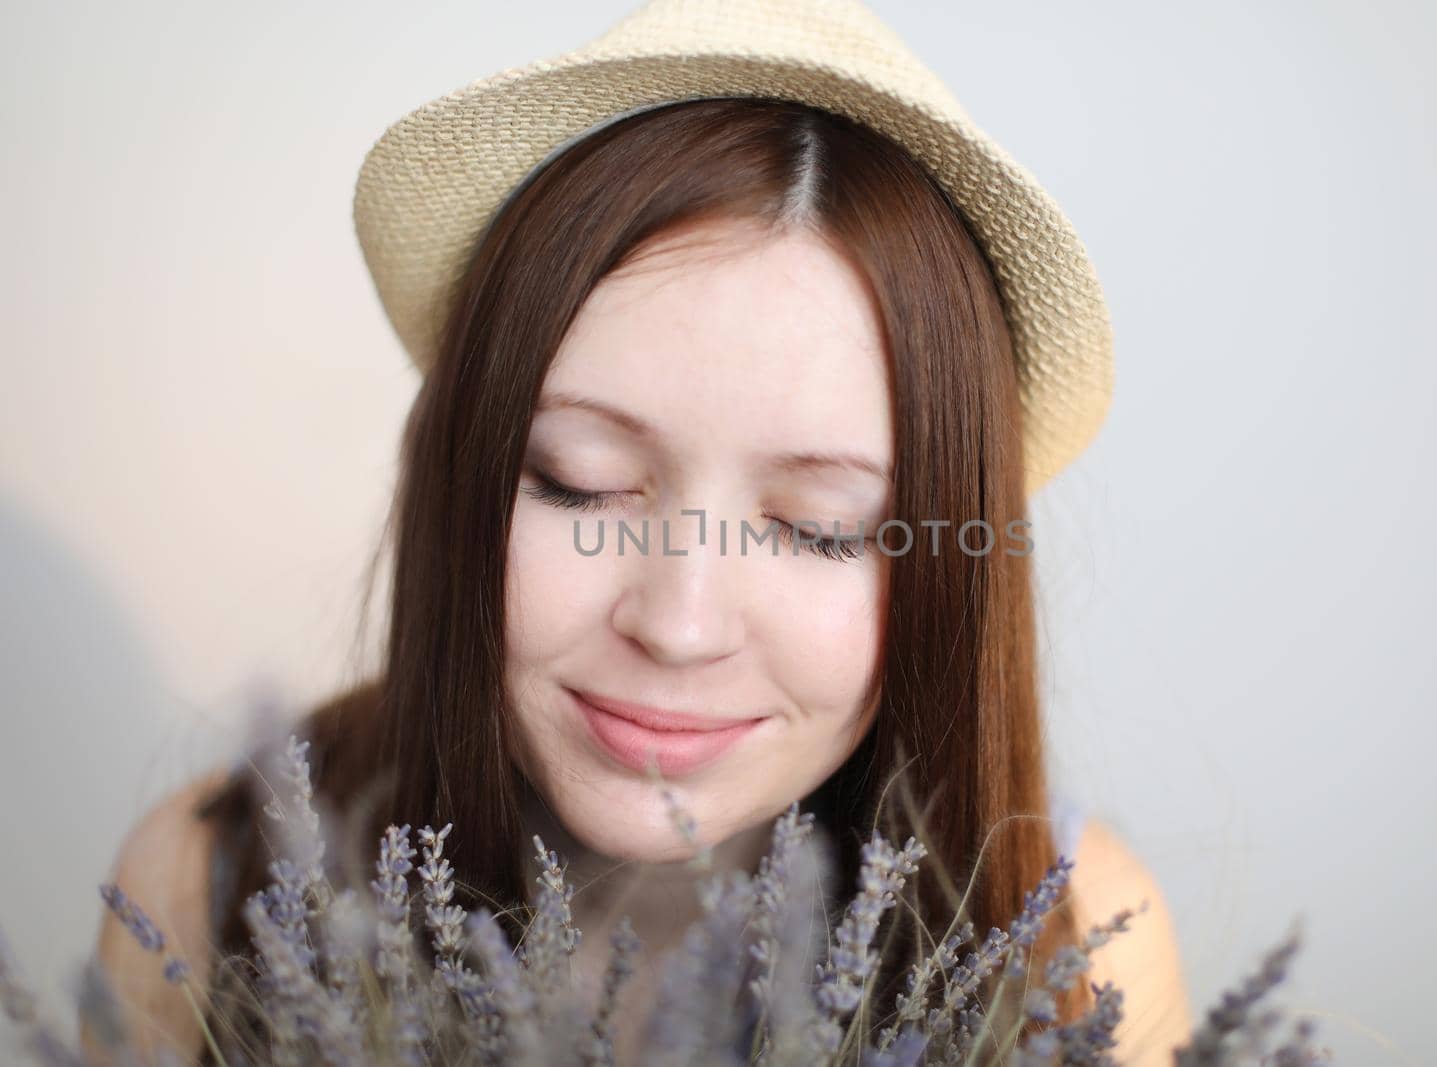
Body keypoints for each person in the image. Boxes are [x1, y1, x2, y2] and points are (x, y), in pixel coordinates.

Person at [87, 3, 1193, 1065]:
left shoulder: (1083, 955)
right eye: (581, 483)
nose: (679, 621)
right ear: (463, 478)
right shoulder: (209, 891)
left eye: (819, 530)